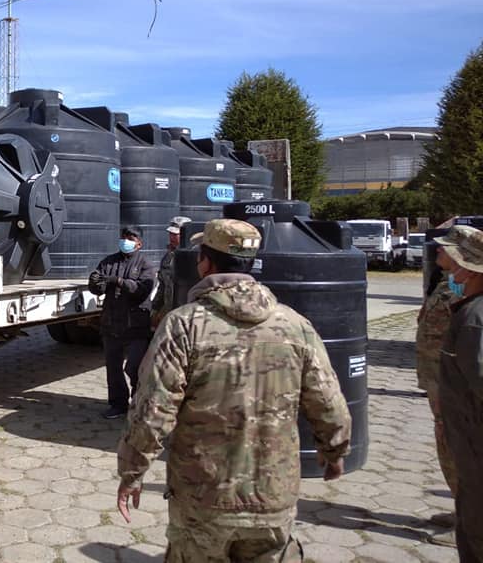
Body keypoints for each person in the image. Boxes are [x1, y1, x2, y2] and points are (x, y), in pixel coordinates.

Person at [117, 218, 352, 561]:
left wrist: (132, 472)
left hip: (202, 500)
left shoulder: (183, 326)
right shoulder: (295, 325)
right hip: (272, 497)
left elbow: (153, 409)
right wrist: (334, 452)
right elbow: (329, 402)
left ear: (205, 263)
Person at [433, 225, 483, 562]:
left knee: (476, 530)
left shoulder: (474, 319)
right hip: (469, 441)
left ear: (470, 268)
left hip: (476, 444)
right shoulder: (470, 309)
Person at [415, 239, 458, 544]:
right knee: (448, 445)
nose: (437, 250)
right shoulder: (447, 282)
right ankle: (462, 509)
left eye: (445, 247)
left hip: (455, 382)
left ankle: (472, 527)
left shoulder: (471, 288)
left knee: (464, 450)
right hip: (438, 378)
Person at [88, 225, 155, 420]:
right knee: (113, 367)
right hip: (112, 323)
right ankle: (118, 404)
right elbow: (98, 287)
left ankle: (139, 401)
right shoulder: (109, 261)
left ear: (139, 243)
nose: (126, 241)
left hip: (136, 326)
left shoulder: (145, 265)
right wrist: (95, 282)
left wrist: (118, 281)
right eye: (124, 237)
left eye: (131, 238)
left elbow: (141, 290)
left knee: (135, 366)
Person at [149, 215, 192, 327]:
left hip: (190, 314)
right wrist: (155, 308)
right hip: (171, 312)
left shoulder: (196, 258)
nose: (172, 237)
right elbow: (162, 286)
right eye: (171, 234)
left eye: (176, 234)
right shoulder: (168, 257)